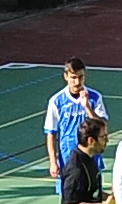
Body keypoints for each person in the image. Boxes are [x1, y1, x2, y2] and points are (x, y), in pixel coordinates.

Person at [41, 59, 108, 193]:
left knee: (93, 195)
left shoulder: (94, 97)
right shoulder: (56, 101)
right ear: (66, 77)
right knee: (69, 197)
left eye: (81, 77)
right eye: (73, 78)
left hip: (91, 155)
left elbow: (103, 125)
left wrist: (87, 107)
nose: (77, 82)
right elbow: (51, 133)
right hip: (68, 157)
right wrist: (53, 162)